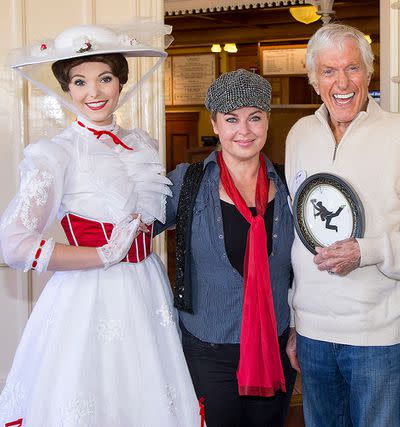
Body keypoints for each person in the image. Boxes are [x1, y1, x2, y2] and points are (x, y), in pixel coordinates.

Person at [0, 24, 203, 426]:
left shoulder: (141, 143)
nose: (94, 92)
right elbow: (15, 244)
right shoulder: (55, 154)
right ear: (67, 88)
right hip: (89, 295)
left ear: (120, 81)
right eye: (80, 81)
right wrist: (103, 253)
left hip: (145, 289)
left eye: (105, 78)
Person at [284, 23, 400, 427]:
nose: (342, 82)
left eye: (352, 68)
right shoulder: (299, 135)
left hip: (380, 337)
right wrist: (295, 323)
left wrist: (365, 251)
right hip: (314, 334)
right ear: (313, 80)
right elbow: (296, 238)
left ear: (369, 74)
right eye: (329, 71)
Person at [155, 69, 296, 427]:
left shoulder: (293, 185)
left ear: (267, 121)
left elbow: (309, 269)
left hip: (275, 348)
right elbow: (132, 227)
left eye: (254, 118)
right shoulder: (188, 183)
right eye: (231, 119)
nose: (244, 130)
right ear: (215, 124)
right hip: (207, 349)